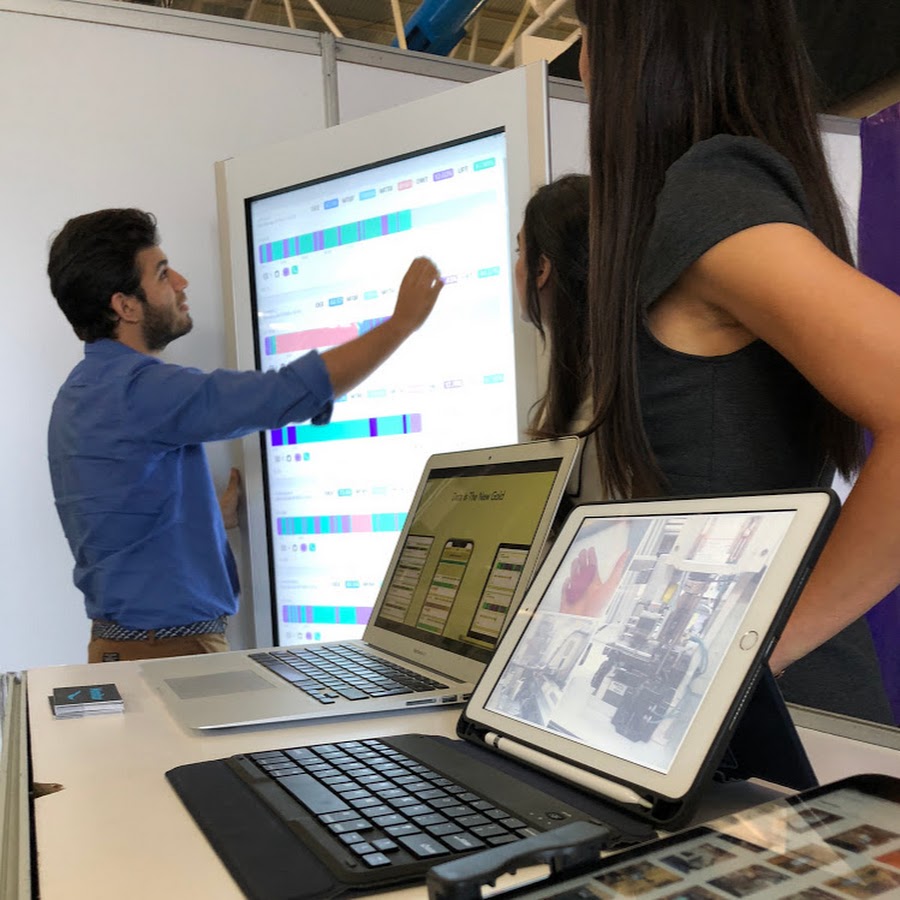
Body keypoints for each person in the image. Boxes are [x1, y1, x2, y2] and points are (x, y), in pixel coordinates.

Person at [571, 0, 900, 722]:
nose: (585, 63)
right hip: (723, 700)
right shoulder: (706, 198)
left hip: (772, 714)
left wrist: (763, 649)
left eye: (589, 34)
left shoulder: (709, 195)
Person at [47, 208, 443, 663]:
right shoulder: (140, 390)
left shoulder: (80, 392)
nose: (181, 282)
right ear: (126, 306)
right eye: (162, 273)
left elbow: (118, 512)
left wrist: (203, 518)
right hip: (169, 653)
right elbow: (284, 393)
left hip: (123, 648)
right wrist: (400, 325)